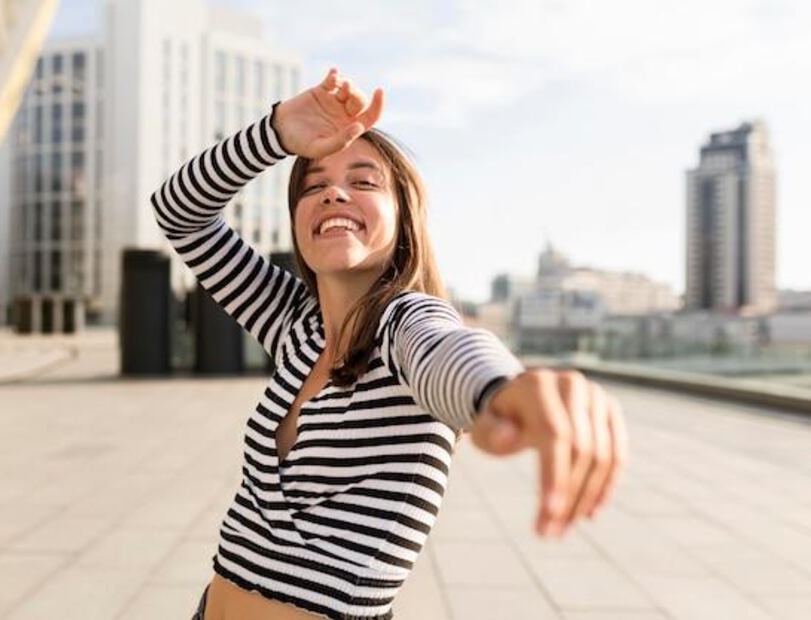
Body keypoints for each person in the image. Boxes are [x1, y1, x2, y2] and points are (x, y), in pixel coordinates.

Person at [151, 67, 628, 620]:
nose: (333, 192)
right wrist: (278, 132)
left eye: (364, 181)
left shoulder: (403, 323)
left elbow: (446, 348)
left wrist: (504, 390)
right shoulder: (293, 326)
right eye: (314, 185)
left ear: (405, 221)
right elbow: (180, 213)